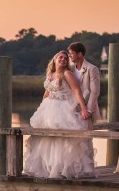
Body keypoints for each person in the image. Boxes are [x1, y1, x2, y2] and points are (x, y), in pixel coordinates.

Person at [24, 51, 96, 179]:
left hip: (62, 109)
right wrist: (41, 108)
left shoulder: (67, 74)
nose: (63, 59)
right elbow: (47, 92)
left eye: (65, 58)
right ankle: (50, 168)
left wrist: (84, 109)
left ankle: (65, 169)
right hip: (48, 109)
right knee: (46, 140)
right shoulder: (50, 74)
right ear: (54, 59)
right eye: (60, 57)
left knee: (63, 140)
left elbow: (77, 91)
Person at [67, 42, 101, 122]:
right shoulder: (70, 69)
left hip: (87, 111)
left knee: (87, 134)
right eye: (69, 53)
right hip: (72, 109)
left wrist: (88, 111)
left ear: (79, 54)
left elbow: (95, 92)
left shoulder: (92, 69)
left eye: (71, 53)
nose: (69, 55)